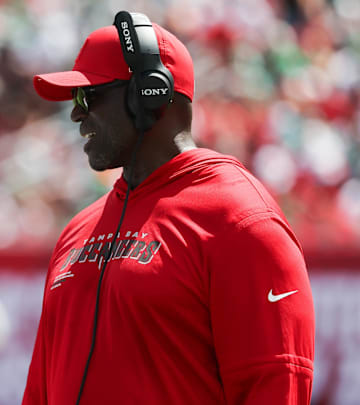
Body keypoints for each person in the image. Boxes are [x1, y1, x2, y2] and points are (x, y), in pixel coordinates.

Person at [22, 10, 314, 405]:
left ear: (150, 93)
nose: (75, 113)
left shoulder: (240, 221)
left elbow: (275, 386)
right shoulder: (77, 230)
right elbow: (40, 389)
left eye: (88, 95)